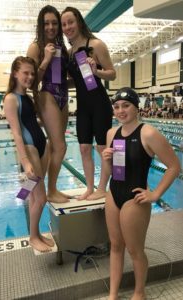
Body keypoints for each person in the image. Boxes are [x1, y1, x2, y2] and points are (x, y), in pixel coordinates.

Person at [102, 87, 181, 300]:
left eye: (126, 105)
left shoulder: (148, 133)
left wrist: (155, 195)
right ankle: (112, 294)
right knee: (116, 246)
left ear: (136, 107)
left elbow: (174, 166)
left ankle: (139, 292)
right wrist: (105, 159)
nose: (121, 110)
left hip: (134, 198)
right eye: (117, 106)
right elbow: (110, 172)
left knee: (135, 250)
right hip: (113, 193)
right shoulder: (111, 133)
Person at [61, 7, 116, 200]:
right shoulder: (68, 54)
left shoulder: (96, 45)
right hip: (83, 106)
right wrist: (53, 83)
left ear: (79, 22)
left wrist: (96, 72)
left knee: (102, 148)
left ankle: (103, 188)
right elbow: (74, 81)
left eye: (71, 22)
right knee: (84, 148)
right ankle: (90, 188)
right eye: (64, 24)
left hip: (100, 104)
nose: (68, 27)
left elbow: (112, 73)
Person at [4, 56, 54, 252]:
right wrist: (25, 161)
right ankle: (33, 237)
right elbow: (16, 132)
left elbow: (32, 123)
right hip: (30, 150)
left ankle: (37, 233)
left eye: (32, 73)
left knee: (33, 196)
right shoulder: (10, 98)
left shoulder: (28, 97)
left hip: (42, 147)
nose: (30, 77)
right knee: (41, 198)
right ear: (15, 73)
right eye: (26, 73)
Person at [27, 5, 69, 203]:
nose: (51, 27)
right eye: (46, 23)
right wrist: (46, 59)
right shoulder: (36, 46)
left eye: (54, 23)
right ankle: (51, 190)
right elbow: (32, 81)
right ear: (40, 25)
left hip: (63, 97)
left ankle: (27, 190)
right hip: (48, 95)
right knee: (60, 147)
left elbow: (65, 78)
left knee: (51, 149)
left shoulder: (62, 46)